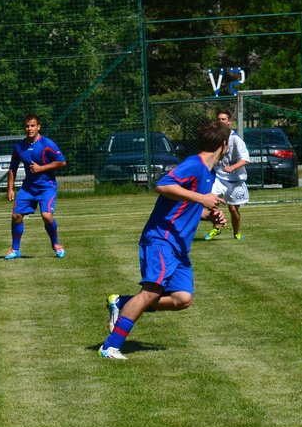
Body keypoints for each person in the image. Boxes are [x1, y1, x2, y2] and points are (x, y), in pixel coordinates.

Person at [99, 120, 231, 360]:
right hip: (161, 239)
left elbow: (185, 207)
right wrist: (202, 198)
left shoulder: (208, 172)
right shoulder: (194, 164)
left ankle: (122, 302)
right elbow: (163, 185)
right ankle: (110, 347)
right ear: (224, 144)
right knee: (151, 292)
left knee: (182, 299)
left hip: (179, 245)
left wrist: (209, 215)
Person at [5, 113, 68, 259]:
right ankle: (15, 250)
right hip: (28, 188)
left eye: (32, 126)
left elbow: (61, 161)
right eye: (27, 126)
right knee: (16, 216)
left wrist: (41, 168)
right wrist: (10, 189)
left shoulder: (47, 144)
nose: (30, 128)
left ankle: (56, 244)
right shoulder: (19, 147)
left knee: (46, 216)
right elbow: (12, 169)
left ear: (38, 127)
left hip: (47, 187)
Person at [204, 108, 250, 241]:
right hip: (218, 178)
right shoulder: (214, 138)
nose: (221, 121)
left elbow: (245, 159)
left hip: (235, 180)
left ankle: (236, 233)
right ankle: (216, 228)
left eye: (223, 119)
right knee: (210, 202)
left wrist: (232, 167)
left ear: (229, 122)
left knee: (233, 209)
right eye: (218, 119)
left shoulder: (235, 139)